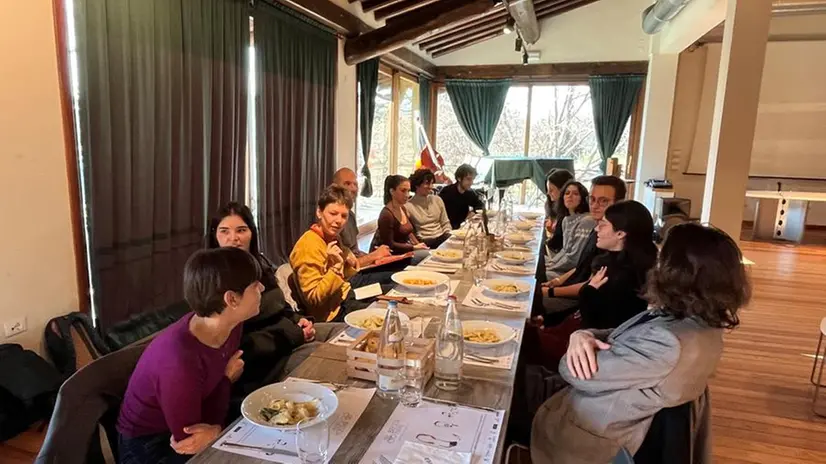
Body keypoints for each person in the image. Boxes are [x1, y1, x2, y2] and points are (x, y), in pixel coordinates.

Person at [531, 223, 751, 463]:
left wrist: (574, 347)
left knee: (497, 382)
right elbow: (620, 333)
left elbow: (571, 371)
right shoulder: (698, 323)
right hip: (592, 397)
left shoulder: (670, 343)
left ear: (677, 271)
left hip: (581, 423)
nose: (656, 259)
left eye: (663, 254)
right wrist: (582, 336)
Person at [117, 247, 263, 463]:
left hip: (201, 412)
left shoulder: (230, 325)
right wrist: (225, 382)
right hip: (151, 443)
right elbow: (191, 441)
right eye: (255, 285)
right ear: (231, 299)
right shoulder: (179, 361)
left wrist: (216, 424)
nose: (262, 287)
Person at [206, 203, 344, 402]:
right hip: (267, 362)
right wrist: (295, 334)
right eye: (224, 231)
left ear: (252, 233)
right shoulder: (216, 280)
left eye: (241, 230)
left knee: (342, 332)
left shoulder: (259, 263)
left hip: (288, 334)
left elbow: (280, 304)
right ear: (215, 235)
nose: (233, 238)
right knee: (331, 354)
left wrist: (298, 319)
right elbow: (243, 344)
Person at [523, 200, 658, 370]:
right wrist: (548, 320)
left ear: (620, 234)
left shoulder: (627, 277)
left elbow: (597, 325)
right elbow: (580, 312)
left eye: (603, 225)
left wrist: (588, 291)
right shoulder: (612, 261)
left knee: (522, 338)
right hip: (572, 330)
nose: (596, 229)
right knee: (525, 325)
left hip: (584, 349)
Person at [540, 176, 627, 317]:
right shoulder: (597, 228)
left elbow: (591, 284)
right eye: (592, 199)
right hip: (570, 287)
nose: (595, 205)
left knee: (526, 300)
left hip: (579, 301)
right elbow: (583, 266)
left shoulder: (613, 238)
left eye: (603, 201)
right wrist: (556, 281)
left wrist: (550, 291)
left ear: (620, 203)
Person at [290, 185, 360, 322]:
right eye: (333, 214)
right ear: (319, 212)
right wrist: (336, 267)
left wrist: (346, 252)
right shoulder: (308, 246)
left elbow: (347, 274)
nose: (339, 221)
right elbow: (313, 298)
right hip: (335, 313)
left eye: (344, 216)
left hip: (346, 294)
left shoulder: (331, 237)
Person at [332, 167, 393, 267]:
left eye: (355, 184)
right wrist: (374, 256)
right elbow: (343, 266)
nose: (353, 189)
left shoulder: (351, 215)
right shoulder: (332, 222)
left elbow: (355, 251)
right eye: (347, 184)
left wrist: (377, 258)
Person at [545, 181, 594, 280]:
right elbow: (565, 250)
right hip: (562, 270)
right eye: (567, 193)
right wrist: (550, 264)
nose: (570, 196)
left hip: (573, 275)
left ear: (583, 198)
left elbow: (574, 259)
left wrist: (550, 267)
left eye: (575, 194)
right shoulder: (566, 220)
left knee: (535, 275)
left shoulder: (586, 221)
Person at [374, 175, 429, 254]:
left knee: (428, 253)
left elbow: (409, 233)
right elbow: (389, 245)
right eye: (403, 191)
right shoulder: (386, 215)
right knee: (426, 255)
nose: (407, 195)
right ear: (392, 191)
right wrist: (413, 247)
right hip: (393, 255)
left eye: (408, 191)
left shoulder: (402, 208)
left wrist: (419, 245)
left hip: (405, 250)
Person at [405, 168, 452, 249]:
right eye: (427, 183)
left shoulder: (437, 200)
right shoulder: (408, 206)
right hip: (425, 240)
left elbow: (445, 223)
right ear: (417, 185)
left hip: (442, 237)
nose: (430, 187)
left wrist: (448, 235)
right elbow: (409, 232)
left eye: (431, 183)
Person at [439, 164, 485, 230]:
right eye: (468, 179)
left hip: (463, 227)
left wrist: (473, 212)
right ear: (459, 178)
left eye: (472, 179)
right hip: (448, 228)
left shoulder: (469, 193)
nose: (471, 182)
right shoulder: (447, 192)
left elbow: (480, 205)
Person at [544, 168, 575, 234]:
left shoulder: (571, 213)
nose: (548, 193)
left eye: (551, 190)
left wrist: (554, 232)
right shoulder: (559, 208)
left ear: (562, 189)